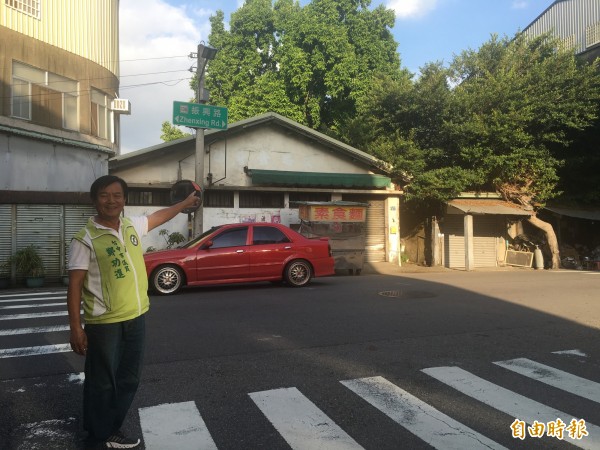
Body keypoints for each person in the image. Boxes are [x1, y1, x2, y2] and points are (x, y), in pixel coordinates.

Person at [67, 175, 200, 449]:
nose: (111, 200)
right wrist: (76, 328)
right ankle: (97, 435)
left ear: (124, 200)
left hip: (136, 317)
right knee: (102, 382)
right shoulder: (85, 239)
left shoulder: (130, 226)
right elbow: (75, 285)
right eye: (104, 195)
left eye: (117, 195)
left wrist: (185, 203)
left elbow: (159, 216)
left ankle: (108, 427)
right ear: (94, 200)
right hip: (105, 323)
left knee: (129, 378)